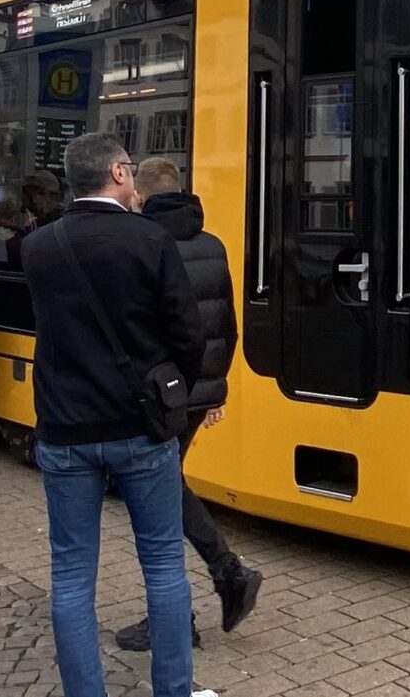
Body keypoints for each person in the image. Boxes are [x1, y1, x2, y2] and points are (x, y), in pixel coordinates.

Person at [22, 134, 211, 697]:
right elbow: (187, 331)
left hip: (64, 427)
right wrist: (171, 381)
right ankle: (173, 690)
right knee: (162, 566)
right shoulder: (149, 239)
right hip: (140, 426)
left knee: (72, 575)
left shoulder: (39, 246)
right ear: (119, 173)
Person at [114, 158, 264, 655]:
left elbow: (141, 331)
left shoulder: (140, 244)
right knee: (165, 486)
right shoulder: (213, 243)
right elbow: (225, 323)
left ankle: (195, 603)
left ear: (141, 195)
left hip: (159, 393)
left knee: (154, 495)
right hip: (196, 391)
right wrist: (212, 389)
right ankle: (225, 579)